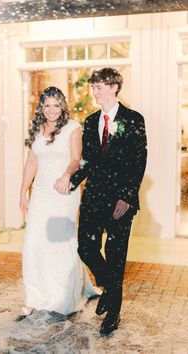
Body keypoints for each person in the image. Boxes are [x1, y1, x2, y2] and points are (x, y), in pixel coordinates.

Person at [69, 68, 147, 335]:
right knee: (85, 247)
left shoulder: (134, 119)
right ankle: (111, 289)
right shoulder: (90, 122)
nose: (95, 91)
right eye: (93, 87)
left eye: (99, 86)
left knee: (116, 256)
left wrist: (126, 196)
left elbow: (139, 161)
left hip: (120, 202)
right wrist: (71, 179)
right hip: (93, 197)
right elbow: (88, 160)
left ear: (115, 87)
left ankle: (113, 313)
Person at [19, 86, 100, 320]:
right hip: (41, 193)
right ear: (41, 108)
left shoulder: (72, 128)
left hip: (64, 192)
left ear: (62, 106)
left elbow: (77, 159)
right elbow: (31, 162)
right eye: (47, 105)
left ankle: (63, 295)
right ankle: (34, 296)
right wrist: (23, 191)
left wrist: (66, 176)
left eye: (56, 105)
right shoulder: (36, 129)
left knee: (58, 242)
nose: (51, 110)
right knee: (34, 242)